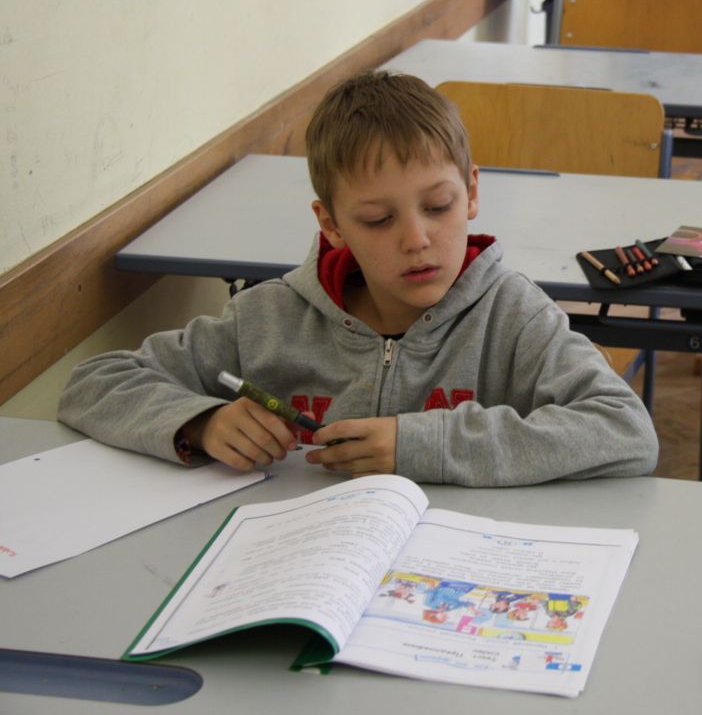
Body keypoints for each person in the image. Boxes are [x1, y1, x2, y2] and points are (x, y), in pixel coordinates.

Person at [58, 72, 658, 485]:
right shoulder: (268, 318)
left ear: (472, 191)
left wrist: (424, 445)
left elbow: (625, 430)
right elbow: (94, 383)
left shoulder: (512, 317)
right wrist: (202, 421)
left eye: (439, 206)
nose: (417, 239)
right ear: (332, 224)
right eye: (377, 219)